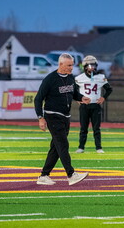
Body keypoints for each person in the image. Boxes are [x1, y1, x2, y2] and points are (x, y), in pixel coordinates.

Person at [34, 53, 91, 186]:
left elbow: (74, 93)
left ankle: (44, 175)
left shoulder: (71, 78)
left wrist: (81, 98)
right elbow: (38, 99)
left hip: (65, 117)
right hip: (53, 116)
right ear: (60, 64)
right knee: (63, 145)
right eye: (69, 65)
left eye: (72, 65)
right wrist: (40, 118)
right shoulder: (50, 79)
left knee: (56, 147)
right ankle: (71, 174)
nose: (71, 68)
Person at [75, 55, 113, 154]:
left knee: (97, 128)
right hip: (84, 106)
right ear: (84, 66)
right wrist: (78, 99)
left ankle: (98, 147)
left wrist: (103, 97)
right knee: (83, 128)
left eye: (93, 65)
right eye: (89, 65)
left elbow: (109, 89)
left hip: (96, 105)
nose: (91, 67)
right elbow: (73, 90)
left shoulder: (101, 77)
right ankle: (81, 147)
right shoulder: (79, 78)